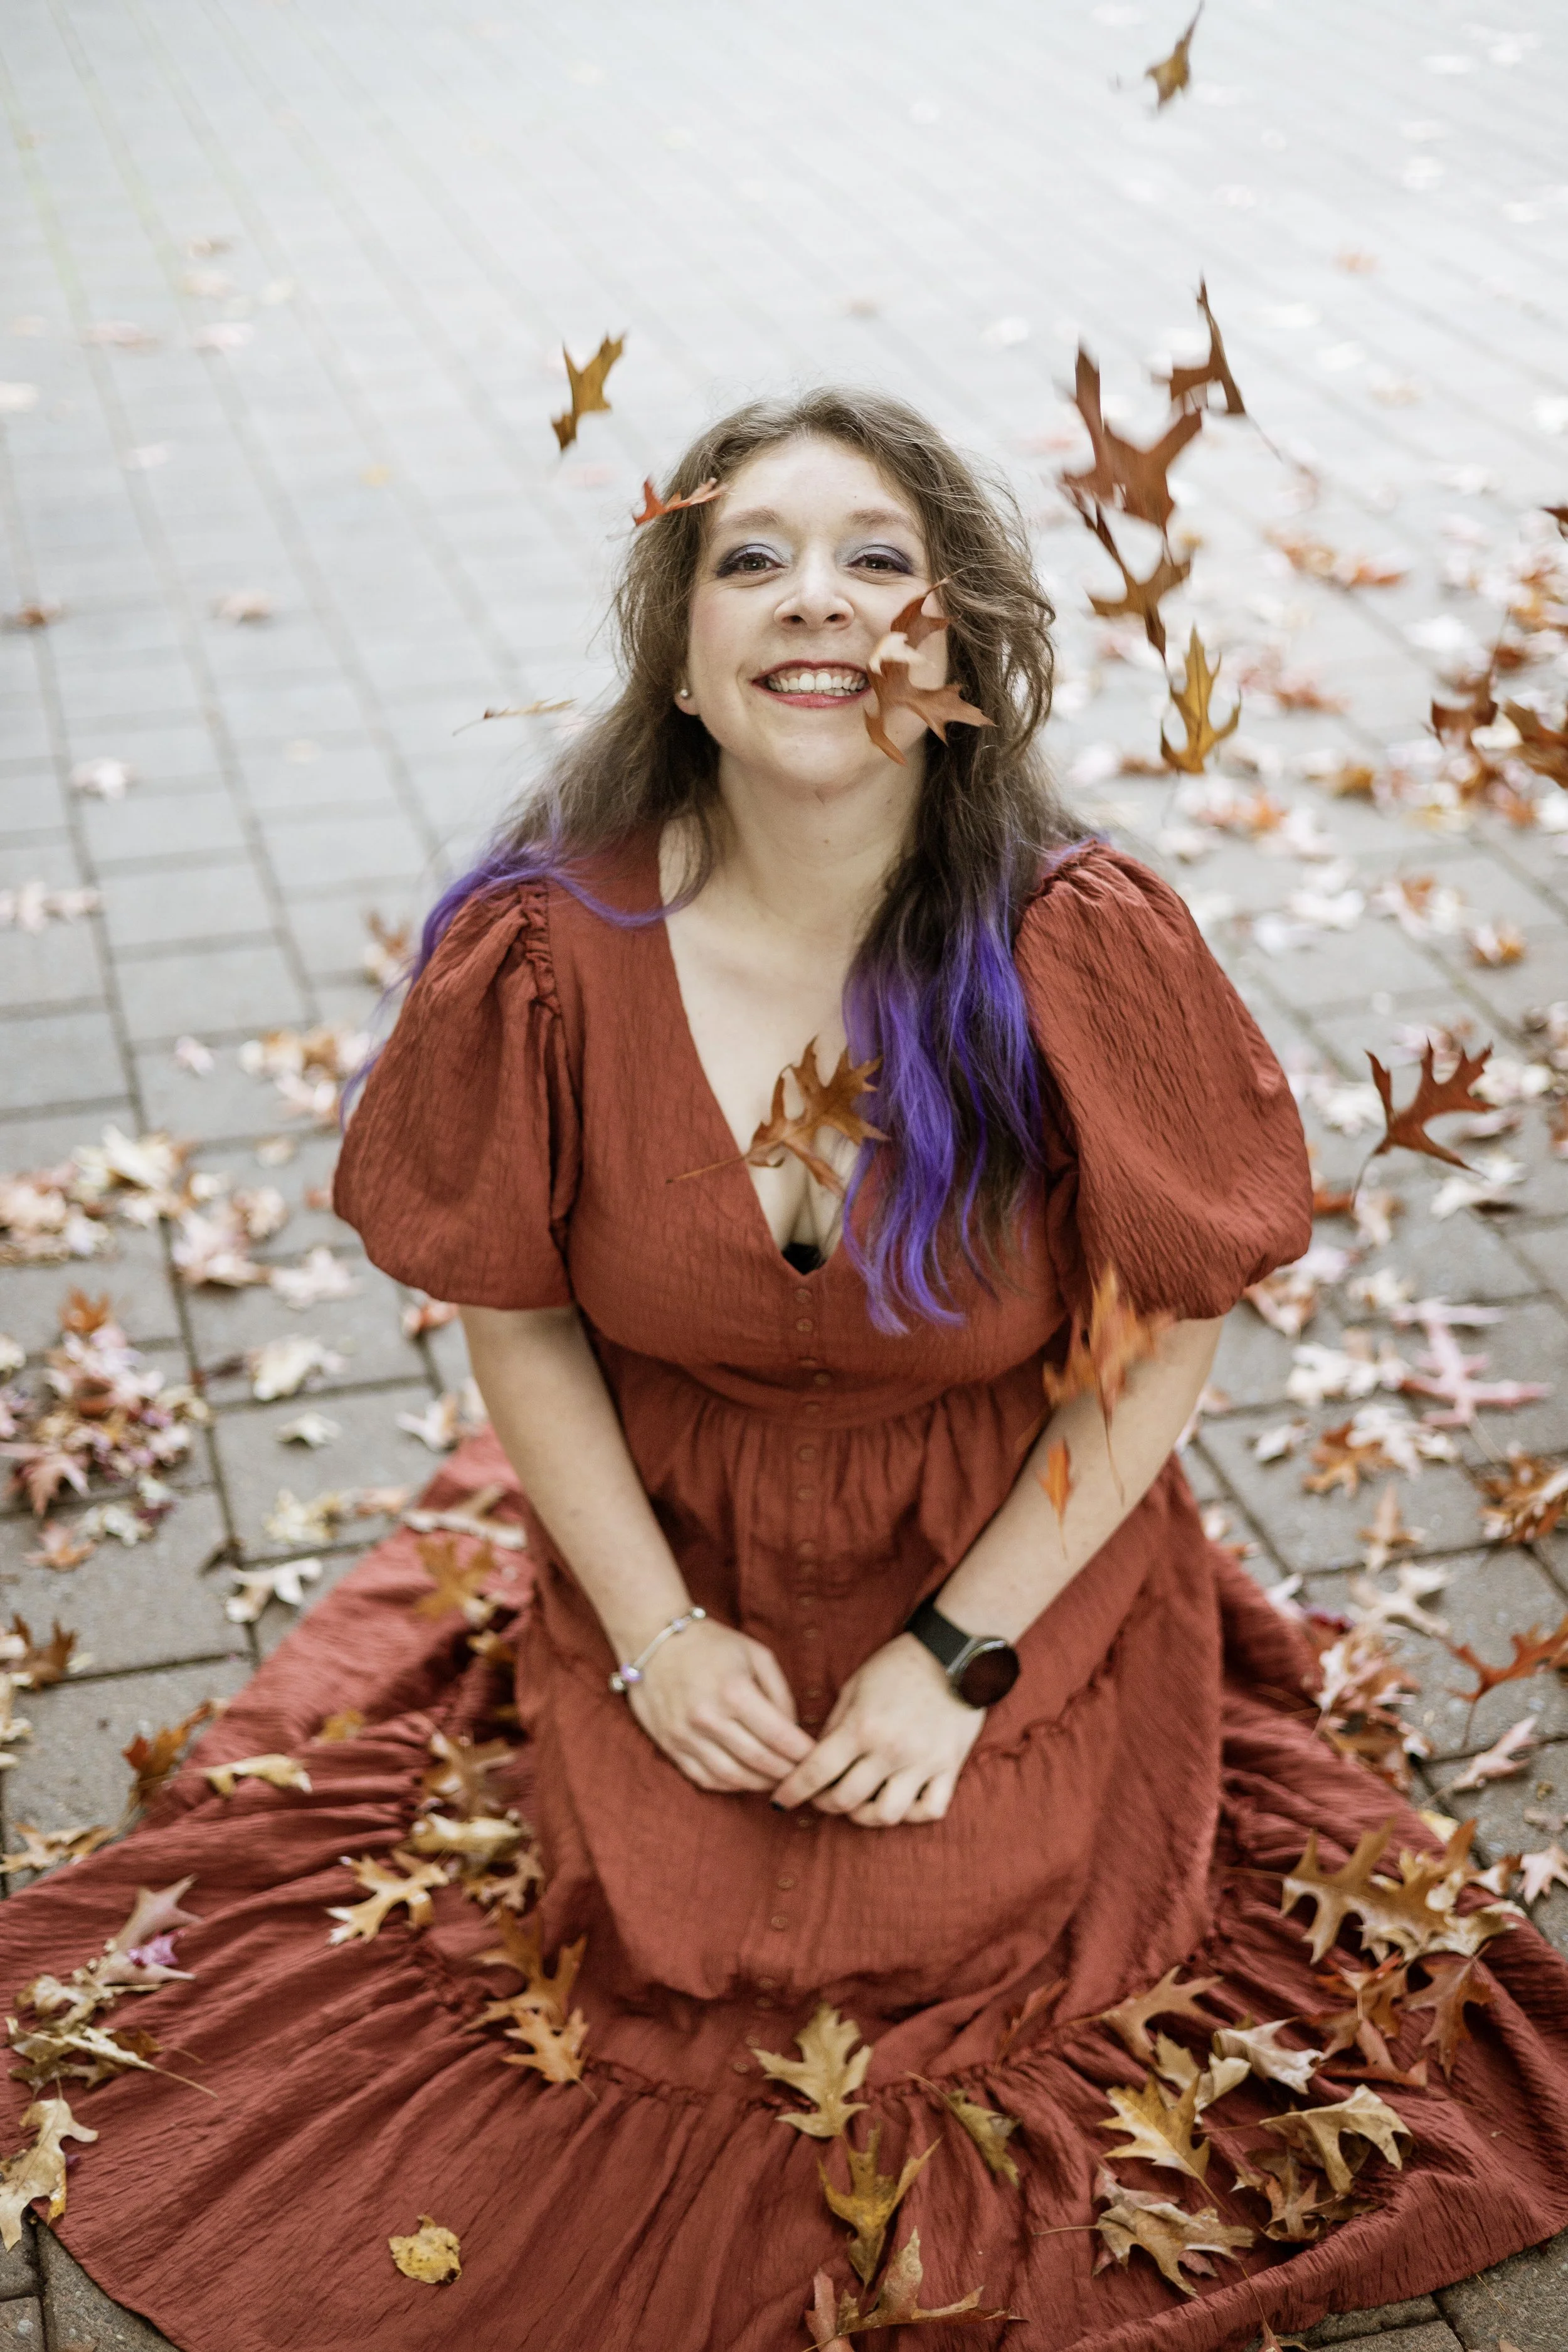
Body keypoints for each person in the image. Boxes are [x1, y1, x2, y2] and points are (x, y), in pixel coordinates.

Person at [2, 390, 1566, 2352]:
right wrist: (650, 1634)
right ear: (676, 637)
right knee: (666, 1929)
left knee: (967, 1930)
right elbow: (520, 1312)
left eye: (877, 559)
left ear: (959, 635)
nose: (813, 601)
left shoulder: (1072, 938)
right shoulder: (542, 947)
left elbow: (1164, 1335)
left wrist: (956, 1653)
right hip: (680, 1515)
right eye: (750, 557)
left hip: (1001, 1515)